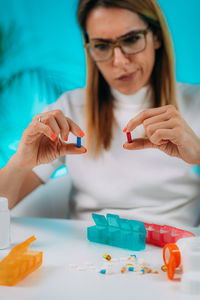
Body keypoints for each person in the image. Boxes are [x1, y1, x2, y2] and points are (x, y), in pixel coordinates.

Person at [0, 0, 200, 227]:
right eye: (102, 46)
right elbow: (2, 203)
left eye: (132, 39)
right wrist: (19, 163)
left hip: (174, 255)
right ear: (90, 49)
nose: (120, 61)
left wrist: (198, 153)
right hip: (86, 256)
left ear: (156, 37)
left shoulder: (196, 103)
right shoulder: (68, 110)